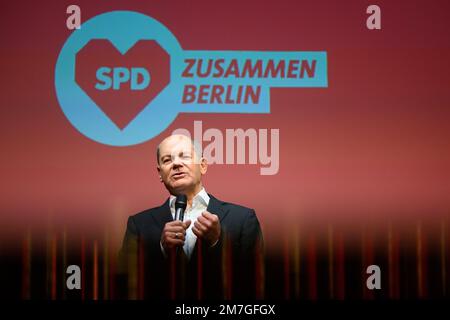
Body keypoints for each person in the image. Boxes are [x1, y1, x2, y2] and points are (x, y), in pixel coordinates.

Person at [119, 134, 263, 299]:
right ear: (160, 173)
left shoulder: (243, 218)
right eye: (167, 160)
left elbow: (255, 282)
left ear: (202, 166)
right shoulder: (138, 224)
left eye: (184, 156)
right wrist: (161, 250)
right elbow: (125, 286)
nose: (176, 164)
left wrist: (218, 241)